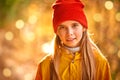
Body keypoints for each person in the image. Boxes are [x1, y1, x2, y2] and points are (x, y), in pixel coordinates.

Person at [35, 0, 112, 80]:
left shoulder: (100, 62)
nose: (69, 33)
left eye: (75, 25)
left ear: (84, 28)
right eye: (62, 27)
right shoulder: (45, 66)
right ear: (57, 32)